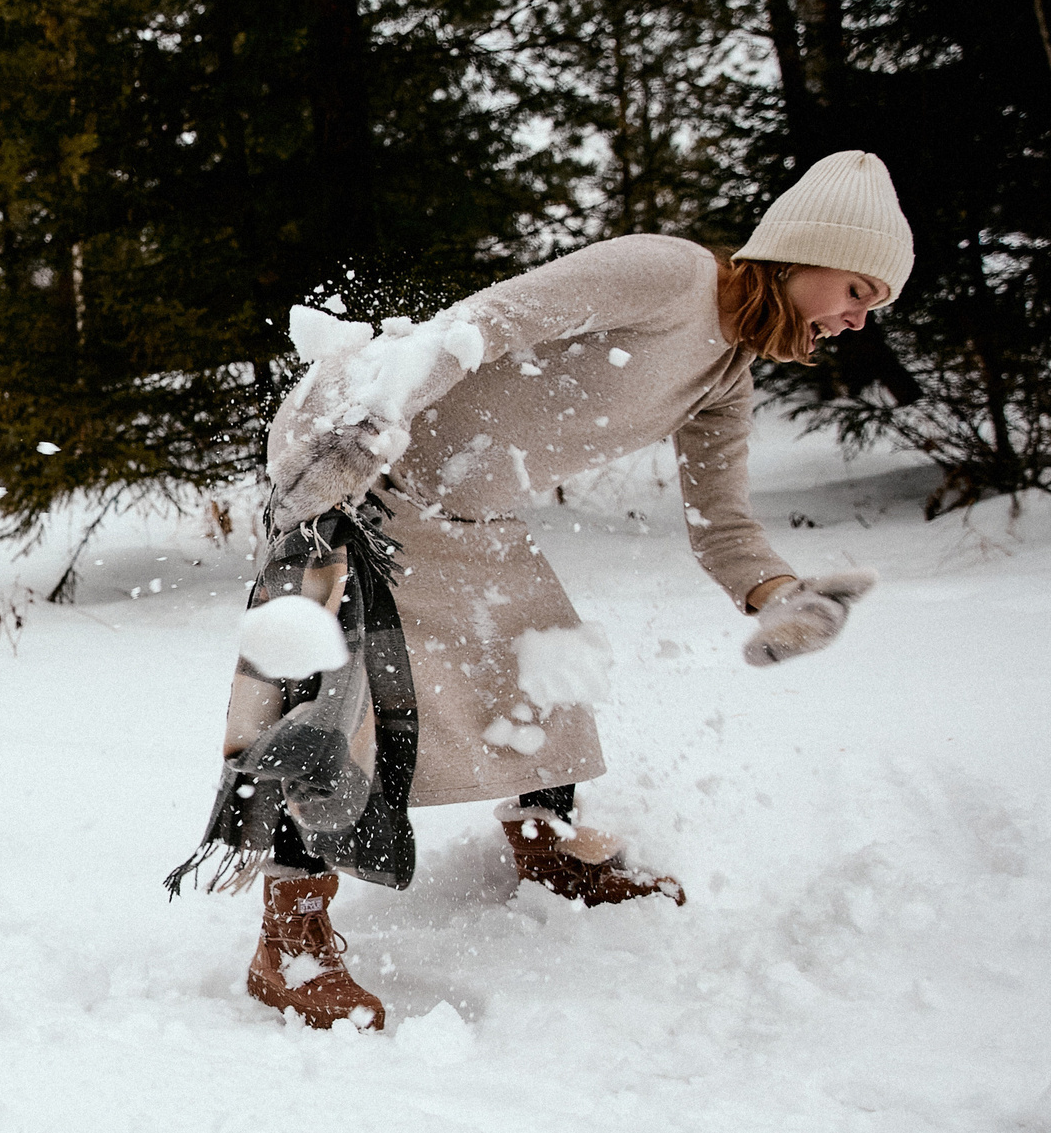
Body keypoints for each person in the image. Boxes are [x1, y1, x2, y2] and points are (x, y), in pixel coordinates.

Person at [174, 151, 911, 1030]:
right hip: (364, 444)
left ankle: (547, 843)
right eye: (859, 289)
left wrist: (780, 596)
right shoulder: (671, 273)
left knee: (541, 659)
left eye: (875, 305)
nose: (860, 318)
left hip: (466, 501)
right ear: (803, 251)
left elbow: (719, 519)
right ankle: (288, 945)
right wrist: (366, 427)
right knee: (339, 692)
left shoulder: (725, 376)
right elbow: (483, 322)